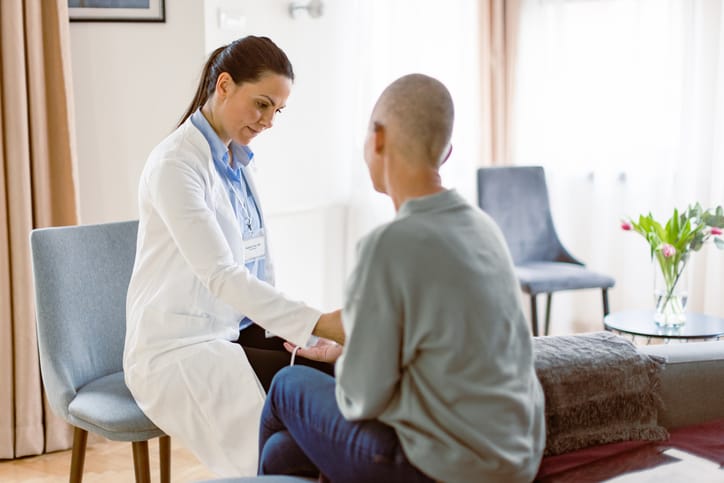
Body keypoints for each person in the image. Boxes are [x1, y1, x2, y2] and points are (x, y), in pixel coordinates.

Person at [258, 74, 546, 482]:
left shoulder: (389, 245)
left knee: (288, 384)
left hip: (444, 469)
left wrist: (353, 360)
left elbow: (361, 400)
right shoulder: (484, 229)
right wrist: (351, 351)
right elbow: (445, 352)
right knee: (282, 452)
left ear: (377, 138)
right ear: (445, 154)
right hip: (513, 460)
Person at [123, 35, 343, 477]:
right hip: (178, 347)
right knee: (306, 397)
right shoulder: (176, 165)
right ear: (223, 85)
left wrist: (299, 331)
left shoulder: (236, 162)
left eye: (277, 110)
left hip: (232, 329)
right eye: (261, 104)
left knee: (337, 374)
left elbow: (257, 266)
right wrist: (319, 320)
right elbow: (222, 275)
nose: (268, 121)